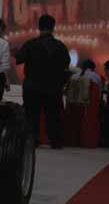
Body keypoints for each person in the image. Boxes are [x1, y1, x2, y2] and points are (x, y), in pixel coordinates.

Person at [15, 14, 71, 149]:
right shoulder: (60, 46)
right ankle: (56, 141)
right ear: (53, 28)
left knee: (31, 114)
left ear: (39, 27)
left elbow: (19, 59)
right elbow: (66, 64)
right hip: (53, 87)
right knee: (53, 115)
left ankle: (32, 140)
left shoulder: (30, 44)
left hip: (32, 86)